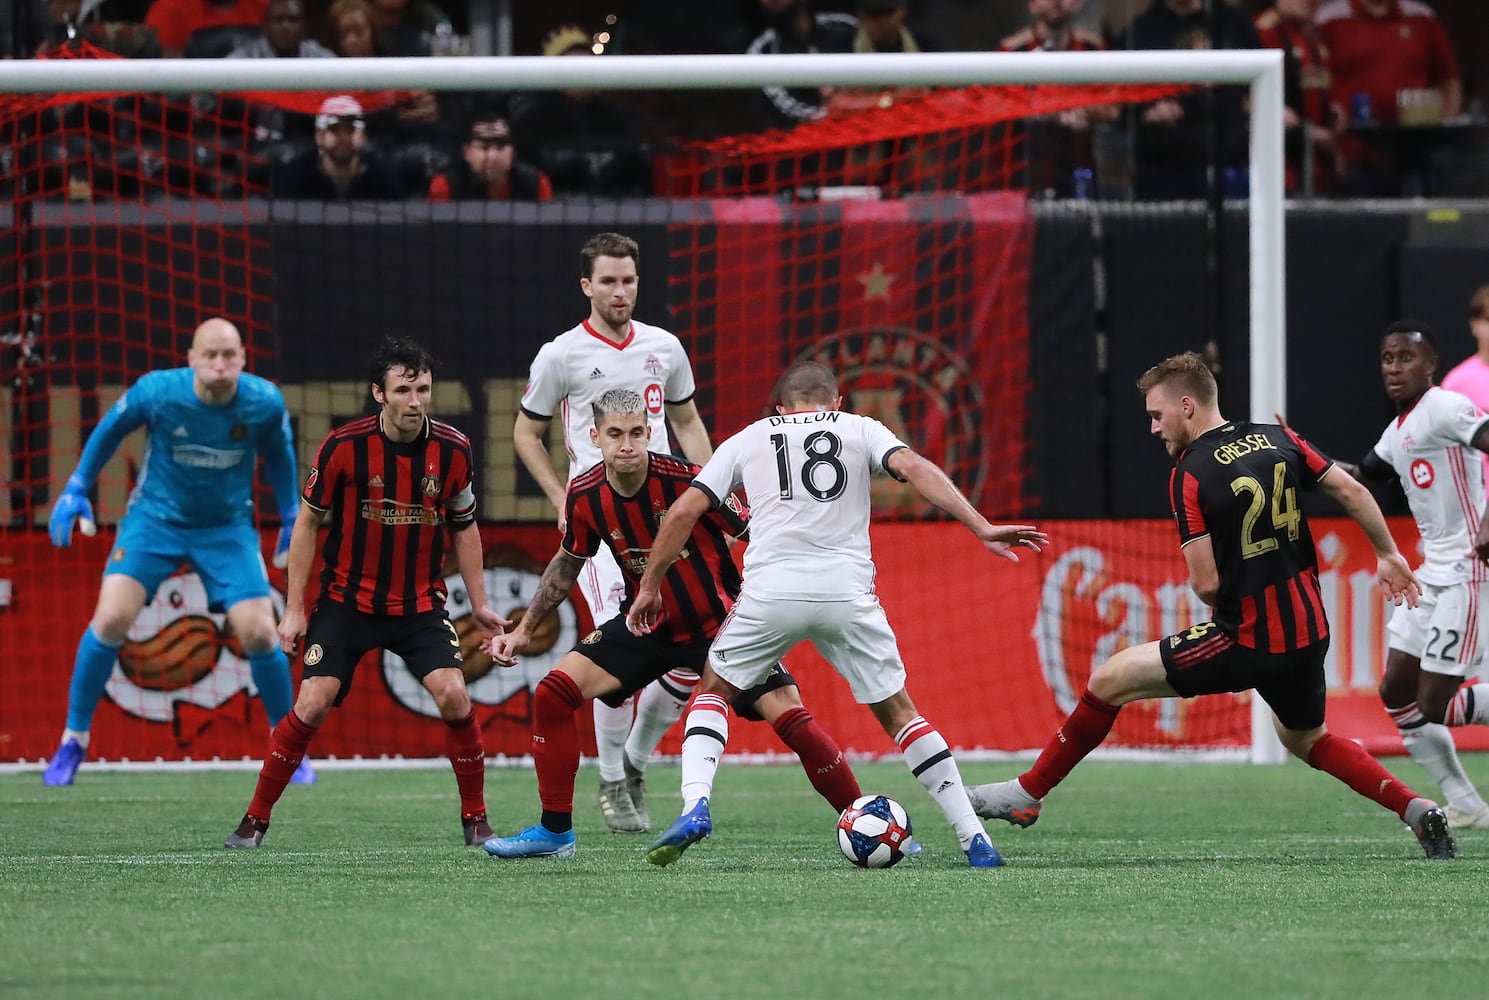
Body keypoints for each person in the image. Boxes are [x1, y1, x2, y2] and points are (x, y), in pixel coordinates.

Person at [965, 351, 1458, 861]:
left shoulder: (1190, 474)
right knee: (1308, 738)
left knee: (1110, 678)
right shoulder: (1277, 437)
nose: (1154, 428)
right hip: (1310, 631)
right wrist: (1387, 554)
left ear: (1186, 405)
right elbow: (1352, 490)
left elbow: (1205, 585)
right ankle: (1417, 808)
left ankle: (1027, 795)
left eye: (1157, 415)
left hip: (1249, 635)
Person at [628, 361, 1048, 868]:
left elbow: (682, 513)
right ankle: (973, 837)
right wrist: (980, 526)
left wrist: (649, 585)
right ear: (838, 402)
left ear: (781, 409)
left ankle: (695, 804)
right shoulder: (861, 428)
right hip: (846, 594)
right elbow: (915, 469)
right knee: (900, 714)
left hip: (772, 592)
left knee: (714, 691)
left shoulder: (749, 437)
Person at [481, 389, 865, 859]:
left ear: (649, 433)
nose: (627, 444)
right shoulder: (584, 494)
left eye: (637, 433)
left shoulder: (692, 481)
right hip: (648, 630)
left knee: (792, 719)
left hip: (723, 630)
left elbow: (758, 530)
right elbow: (567, 563)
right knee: (553, 693)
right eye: (616, 434)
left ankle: (864, 817)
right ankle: (555, 833)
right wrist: (522, 631)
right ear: (594, 436)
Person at [223, 337, 508, 849]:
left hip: (419, 603)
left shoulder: (453, 449)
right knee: (312, 702)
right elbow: (307, 523)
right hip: (346, 602)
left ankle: (476, 819)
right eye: (403, 390)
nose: (415, 401)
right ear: (379, 392)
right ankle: (255, 819)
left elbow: (465, 527)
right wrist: (292, 610)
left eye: (423, 388)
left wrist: (480, 602)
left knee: (454, 693)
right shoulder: (342, 447)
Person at [43, 318, 309, 787]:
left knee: (261, 632)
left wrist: (291, 516)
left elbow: (281, 455)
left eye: (229, 355)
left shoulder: (263, 402)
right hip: (154, 521)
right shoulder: (158, 393)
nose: (220, 364)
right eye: (210, 355)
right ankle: (73, 741)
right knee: (109, 620)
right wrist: (77, 487)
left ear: (243, 359)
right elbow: (108, 430)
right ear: (191, 359)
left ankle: (286, 749)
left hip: (226, 529)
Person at [514, 232, 715, 835]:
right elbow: (527, 433)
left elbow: (685, 420)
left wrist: (709, 491)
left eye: (628, 280)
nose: (620, 291)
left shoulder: (664, 346)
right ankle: (608, 779)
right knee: (619, 647)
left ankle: (632, 760)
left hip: (668, 518)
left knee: (687, 657)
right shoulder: (562, 355)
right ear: (586, 286)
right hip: (604, 529)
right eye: (608, 281)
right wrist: (560, 498)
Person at [1337, 321, 1489, 829]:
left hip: (1468, 570)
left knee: (1436, 703)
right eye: (1387, 359)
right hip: (1433, 573)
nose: (1395, 367)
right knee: (1396, 691)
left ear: (1431, 365)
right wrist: (1300, 458)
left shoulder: (1444, 407)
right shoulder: (1398, 431)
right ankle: (1465, 803)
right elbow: (1361, 477)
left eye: (1406, 357)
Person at [268, 95, 404, 201]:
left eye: (350, 129)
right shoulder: (294, 177)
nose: (343, 137)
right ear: (319, 136)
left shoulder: (383, 178)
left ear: (362, 136)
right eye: (334, 129)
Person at [427, 112, 554, 202]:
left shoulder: (537, 184)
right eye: (484, 147)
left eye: (500, 147)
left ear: (512, 152)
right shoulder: (445, 186)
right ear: (467, 153)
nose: (492, 157)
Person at [227, 0, 335, 57]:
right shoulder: (245, 58)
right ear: (265, 26)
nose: (286, 27)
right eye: (278, 20)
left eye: (293, 20)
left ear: (304, 27)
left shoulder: (320, 58)